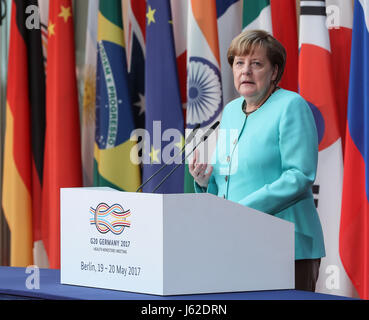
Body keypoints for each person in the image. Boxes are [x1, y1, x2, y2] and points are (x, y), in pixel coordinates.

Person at [189, 29, 325, 292]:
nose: (245, 71)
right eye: (239, 63)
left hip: (288, 246)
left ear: (274, 71)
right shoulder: (230, 111)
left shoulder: (291, 106)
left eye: (256, 64)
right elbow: (227, 176)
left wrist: (242, 210)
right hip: (237, 242)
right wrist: (206, 182)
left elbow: (299, 175)